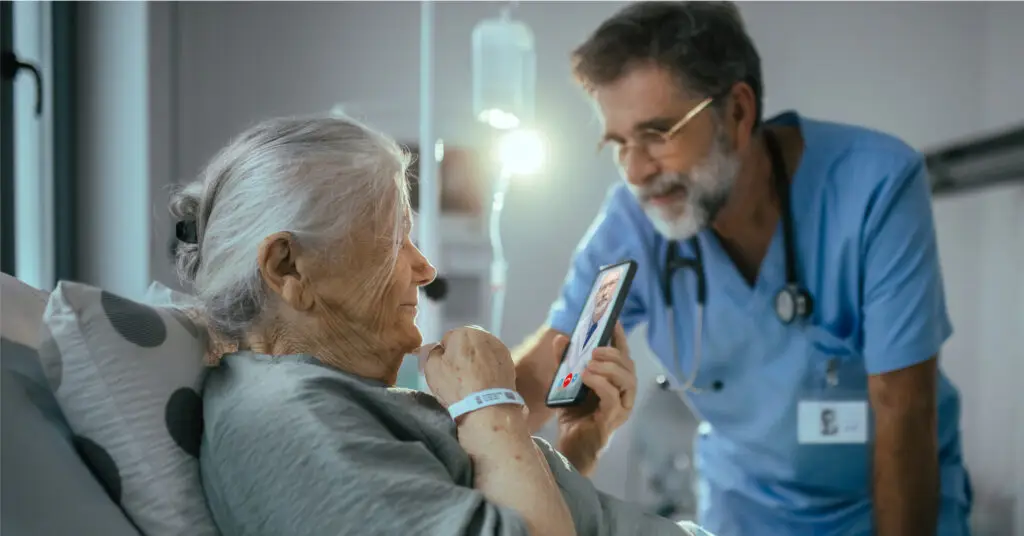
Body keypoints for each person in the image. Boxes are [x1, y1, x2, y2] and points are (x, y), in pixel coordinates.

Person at [511, 2, 971, 535]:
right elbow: (550, 369)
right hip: (744, 514)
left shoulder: (876, 186)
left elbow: (904, 412)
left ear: (737, 111)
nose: (636, 172)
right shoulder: (632, 224)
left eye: (658, 134)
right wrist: (447, 431)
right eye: (619, 145)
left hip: (885, 506)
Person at [171, 115, 714, 535]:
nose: (426, 269)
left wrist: (582, 446)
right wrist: (491, 407)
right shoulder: (285, 424)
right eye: (392, 240)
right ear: (287, 267)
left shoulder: (322, 399)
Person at [566, 268, 622, 370]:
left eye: (611, 285)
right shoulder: (579, 327)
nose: (605, 293)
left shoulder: (610, 327)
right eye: (603, 287)